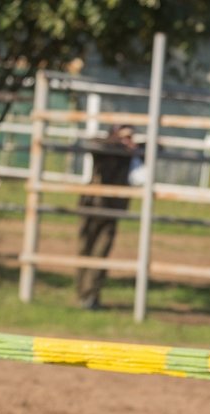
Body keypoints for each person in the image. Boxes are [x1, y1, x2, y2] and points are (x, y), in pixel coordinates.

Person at [75, 124, 139, 310]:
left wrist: (132, 147)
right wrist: (119, 143)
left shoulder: (129, 153)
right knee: (84, 250)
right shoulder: (105, 148)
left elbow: (156, 148)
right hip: (92, 206)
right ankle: (82, 293)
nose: (130, 140)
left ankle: (91, 296)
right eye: (125, 136)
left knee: (101, 253)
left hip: (112, 210)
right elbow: (93, 144)